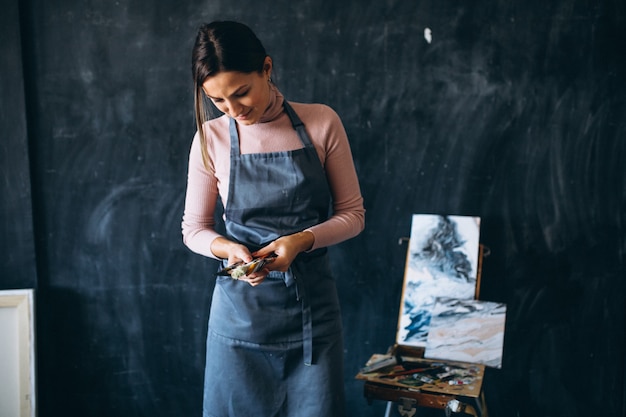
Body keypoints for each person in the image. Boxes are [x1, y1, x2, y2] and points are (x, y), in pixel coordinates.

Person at [182, 20, 365, 417]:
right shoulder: (209, 139)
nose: (234, 110)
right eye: (218, 101)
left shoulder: (321, 123)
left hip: (312, 319)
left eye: (242, 92)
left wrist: (300, 241)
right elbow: (193, 229)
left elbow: (353, 215)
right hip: (238, 323)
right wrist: (227, 248)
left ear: (267, 68)